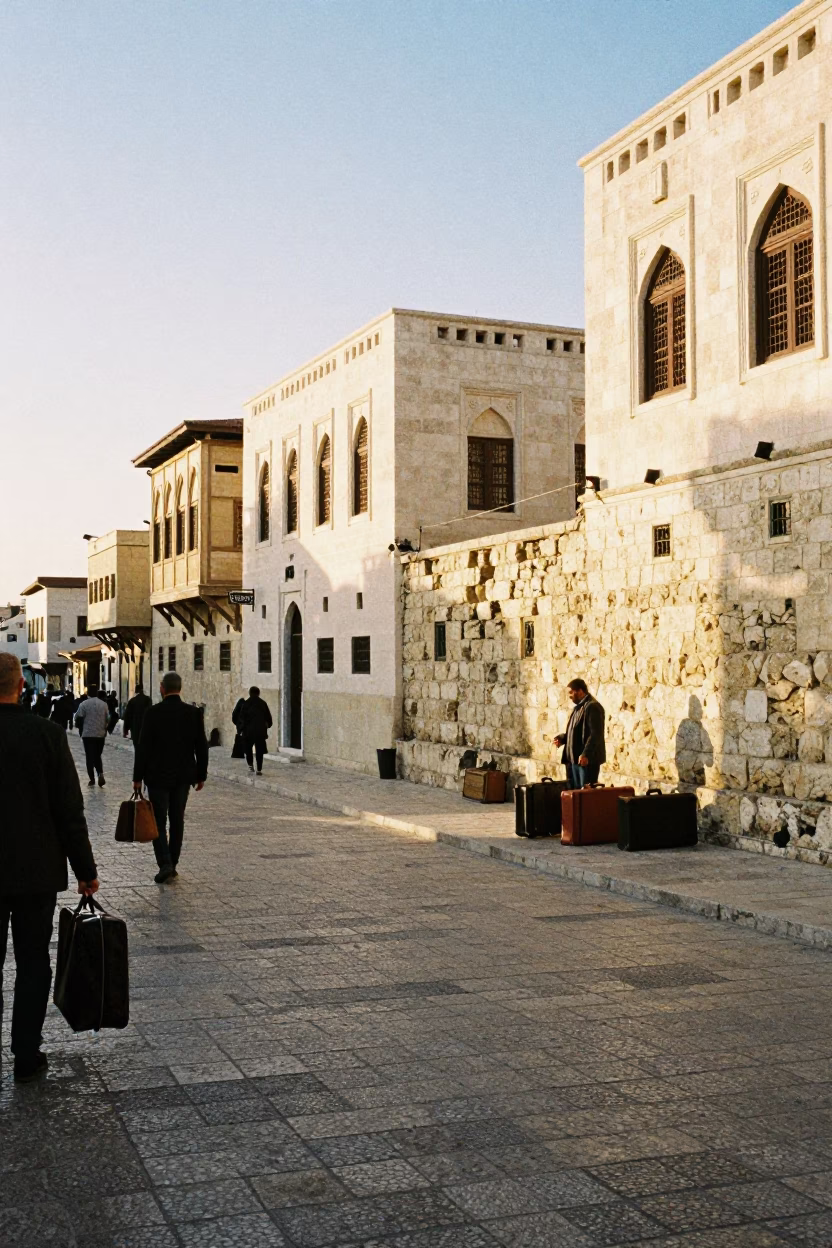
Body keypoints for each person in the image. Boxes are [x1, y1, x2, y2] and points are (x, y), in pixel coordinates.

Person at [0, 653, 99, 1083]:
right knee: (33, 962)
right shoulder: (48, 735)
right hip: (35, 871)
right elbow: (69, 811)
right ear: (21, 686)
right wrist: (85, 870)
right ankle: (26, 1052)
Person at [133, 671, 208, 884]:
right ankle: (173, 863)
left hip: (157, 776)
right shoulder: (193, 713)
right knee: (177, 819)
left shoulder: (152, 713)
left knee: (158, 820)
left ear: (162, 688)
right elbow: (201, 746)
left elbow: (143, 747)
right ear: (180, 688)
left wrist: (137, 777)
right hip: (183, 776)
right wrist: (201, 774)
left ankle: (164, 863)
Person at [554, 678, 606, 789]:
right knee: (575, 794)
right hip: (574, 761)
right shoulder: (578, 708)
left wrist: (586, 754)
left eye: (571, 692)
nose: (569, 696)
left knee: (585, 794)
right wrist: (562, 738)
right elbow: (574, 733)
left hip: (585, 762)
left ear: (580, 691)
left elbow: (596, 734)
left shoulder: (592, 707)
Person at [75, 687, 109, 787]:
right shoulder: (104, 704)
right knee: (97, 755)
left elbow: (77, 716)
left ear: (88, 694)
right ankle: (100, 773)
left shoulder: (84, 704)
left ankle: (92, 779)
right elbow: (107, 718)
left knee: (89, 756)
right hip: (100, 734)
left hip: (88, 734)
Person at [237, 686, 273, 775]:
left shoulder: (246, 704)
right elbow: (268, 718)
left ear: (249, 693)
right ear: (258, 693)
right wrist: (267, 726)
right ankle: (259, 769)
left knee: (248, 749)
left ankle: (250, 766)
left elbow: (241, 718)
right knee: (259, 750)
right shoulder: (263, 703)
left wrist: (240, 730)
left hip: (248, 731)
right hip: (260, 731)